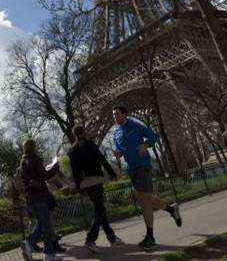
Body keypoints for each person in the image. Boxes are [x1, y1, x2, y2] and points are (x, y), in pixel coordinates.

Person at [111, 106, 182, 249]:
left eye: (117, 113)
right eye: (113, 115)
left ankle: (169, 211)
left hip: (142, 165)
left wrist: (145, 144)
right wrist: (118, 154)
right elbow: (121, 150)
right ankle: (153, 232)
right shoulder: (116, 133)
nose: (115, 117)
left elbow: (153, 136)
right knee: (144, 202)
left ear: (124, 114)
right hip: (130, 169)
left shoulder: (135, 125)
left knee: (145, 197)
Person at [68, 125, 123, 253]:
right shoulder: (90, 144)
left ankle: (112, 237)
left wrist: (79, 187)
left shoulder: (72, 149)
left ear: (75, 134)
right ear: (84, 132)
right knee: (99, 210)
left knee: (100, 208)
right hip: (96, 179)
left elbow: (75, 171)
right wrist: (111, 173)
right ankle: (90, 240)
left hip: (85, 183)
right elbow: (101, 159)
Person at [17, 139, 61, 261]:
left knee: (41, 224)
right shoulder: (35, 159)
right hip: (40, 196)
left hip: (30, 198)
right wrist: (55, 168)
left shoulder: (22, 162)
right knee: (46, 226)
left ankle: (28, 242)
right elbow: (45, 175)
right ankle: (48, 254)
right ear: (33, 147)